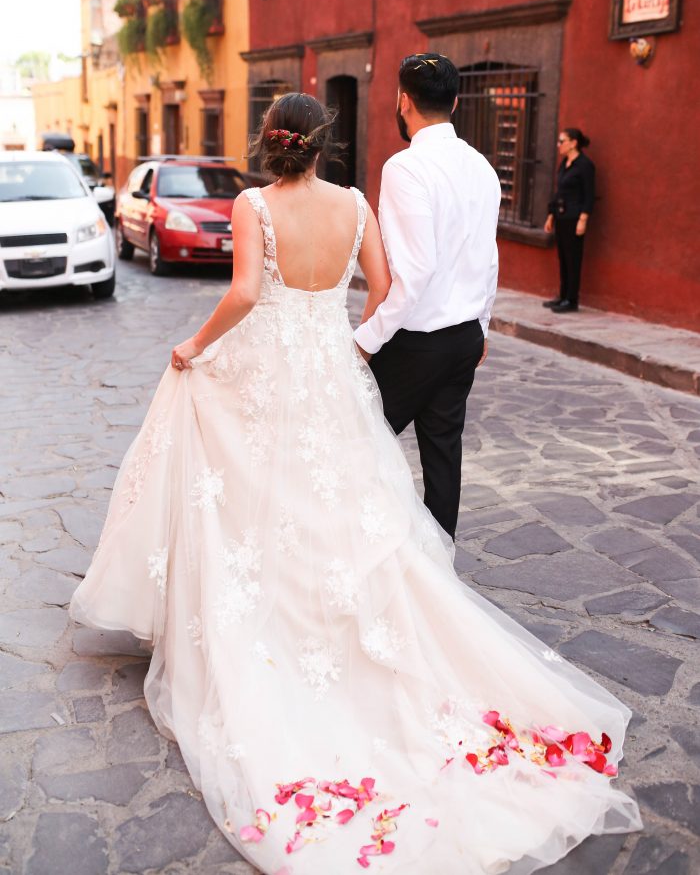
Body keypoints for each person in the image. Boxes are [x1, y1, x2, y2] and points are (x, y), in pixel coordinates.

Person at [70, 92, 640, 874]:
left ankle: (270, 621)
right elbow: (383, 288)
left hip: (267, 368)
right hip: (330, 370)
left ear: (272, 145)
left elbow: (241, 294)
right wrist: (344, 347)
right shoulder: (355, 206)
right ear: (323, 143)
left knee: (246, 491)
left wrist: (191, 344)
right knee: (340, 503)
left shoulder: (252, 204)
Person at [354, 53, 500, 540]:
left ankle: (368, 557)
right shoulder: (482, 167)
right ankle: (441, 568)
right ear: (455, 102)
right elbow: (490, 257)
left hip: (417, 340)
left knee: (354, 438)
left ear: (403, 101)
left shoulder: (406, 167)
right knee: (442, 456)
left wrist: (367, 339)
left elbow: (414, 272)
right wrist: (482, 327)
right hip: (461, 339)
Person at [543, 128, 595, 313]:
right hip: (561, 216)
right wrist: (551, 215)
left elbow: (589, 195)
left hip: (575, 218)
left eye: (562, 141)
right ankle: (563, 296)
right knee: (563, 258)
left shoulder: (585, 165)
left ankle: (572, 300)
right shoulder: (565, 163)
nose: (559, 145)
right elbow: (559, 192)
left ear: (573, 143)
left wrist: (583, 219)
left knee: (573, 259)